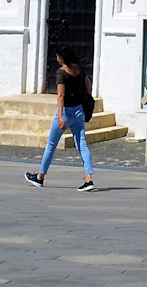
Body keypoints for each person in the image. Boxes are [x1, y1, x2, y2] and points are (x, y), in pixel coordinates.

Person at [25, 46, 98, 191]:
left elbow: (61, 95)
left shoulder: (61, 73)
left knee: (51, 145)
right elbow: (89, 87)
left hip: (65, 112)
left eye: (58, 56)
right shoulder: (80, 69)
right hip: (79, 111)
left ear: (62, 58)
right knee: (82, 144)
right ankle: (89, 178)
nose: (57, 58)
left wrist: (60, 116)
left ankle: (40, 177)